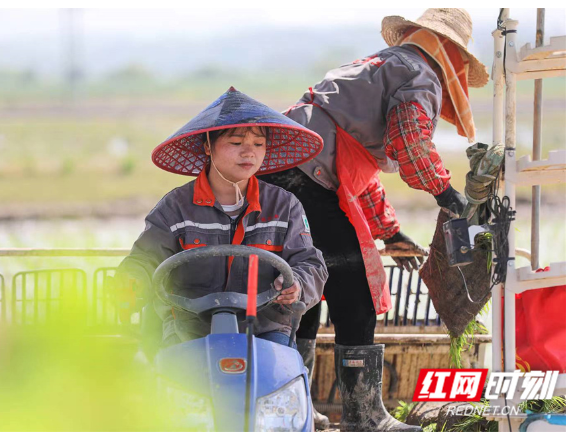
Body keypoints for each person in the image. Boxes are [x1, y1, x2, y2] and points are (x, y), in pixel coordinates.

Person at [259, 8, 489, 432]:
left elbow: (355, 167)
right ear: (452, 55)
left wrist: (390, 231)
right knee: (356, 290)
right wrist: (447, 194)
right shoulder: (419, 74)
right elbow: (409, 142)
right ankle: (363, 417)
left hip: (279, 174)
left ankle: (296, 410)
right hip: (307, 181)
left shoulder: (379, 65)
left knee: (302, 289)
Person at [115, 87, 328, 350]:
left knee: (279, 381)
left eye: (258, 144)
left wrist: (298, 284)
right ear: (207, 146)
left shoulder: (285, 206)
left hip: (265, 329)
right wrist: (131, 280)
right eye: (236, 143)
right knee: (175, 379)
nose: (249, 152)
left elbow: (310, 263)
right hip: (189, 328)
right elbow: (144, 259)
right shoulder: (175, 207)